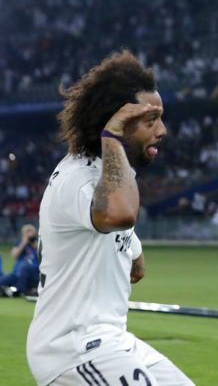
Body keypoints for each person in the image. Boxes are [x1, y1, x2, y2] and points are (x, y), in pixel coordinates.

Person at [26, 51, 194, 385]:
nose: (161, 130)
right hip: (72, 347)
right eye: (150, 120)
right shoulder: (79, 177)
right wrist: (112, 136)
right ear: (114, 122)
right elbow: (120, 214)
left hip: (110, 340)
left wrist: (133, 250)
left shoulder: (105, 174)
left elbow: (118, 230)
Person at [0, 224, 40, 296]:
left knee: (24, 270)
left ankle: (11, 291)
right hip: (17, 274)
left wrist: (35, 246)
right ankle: (9, 291)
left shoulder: (38, 244)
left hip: (31, 274)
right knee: (6, 279)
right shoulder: (20, 243)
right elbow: (14, 255)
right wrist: (23, 243)